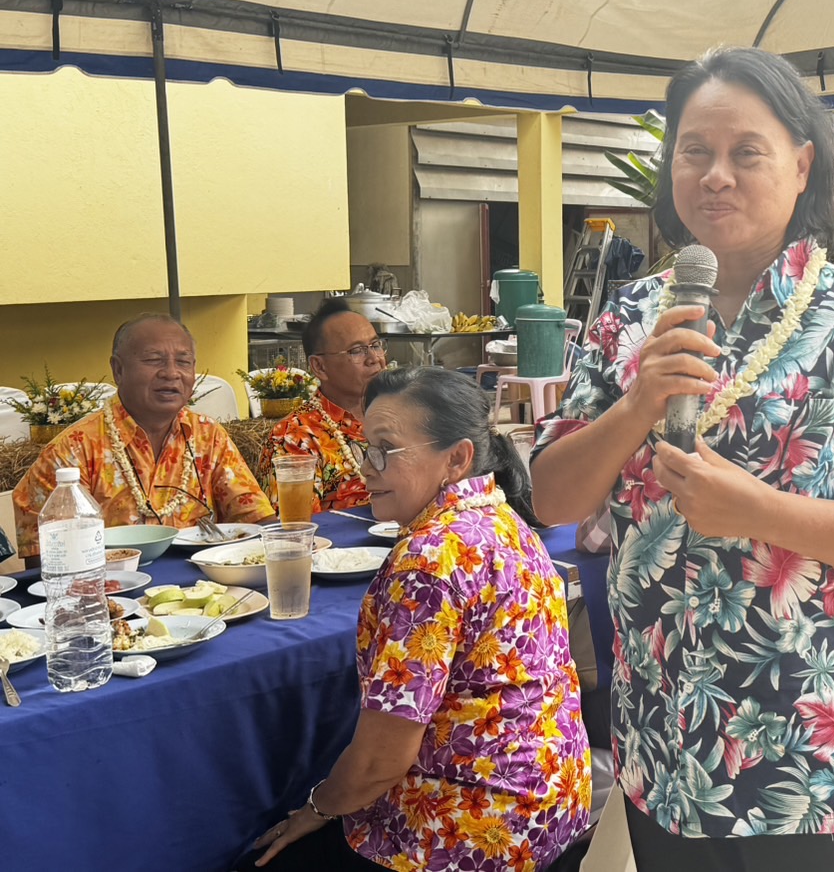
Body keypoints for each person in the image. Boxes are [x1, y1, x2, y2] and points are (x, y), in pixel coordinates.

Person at [530, 46, 834, 868]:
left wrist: (756, 511)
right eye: (694, 151)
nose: (715, 175)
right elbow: (552, 498)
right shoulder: (628, 320)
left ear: (801, 166)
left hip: (812, 759)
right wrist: (635, 404)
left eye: (744, 152)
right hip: (666, 745)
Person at [241, 367, 591, 872]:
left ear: (456, 458)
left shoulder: (429, 560)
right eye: (365, 448)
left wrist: (317, 807)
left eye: (385, 450)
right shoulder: (501, 516)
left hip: (474, 831)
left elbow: (380, 761)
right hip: (552, 805)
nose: (365, 468)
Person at [12, 314, 272, 556]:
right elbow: (49, 559)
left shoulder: (208, 435)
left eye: (183, 362)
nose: (171, 373)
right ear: (118, 370)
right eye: (153, 360)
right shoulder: (72, 451)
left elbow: (255, 519)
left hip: (205, 588)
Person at [257, 299, 385, 512]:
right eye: (356, 351)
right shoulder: (294, 436)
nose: (374, 359)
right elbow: (296, 528)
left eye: (376, 345)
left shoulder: (403, 417)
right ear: (319, 366)